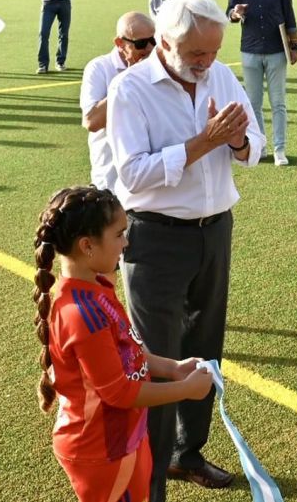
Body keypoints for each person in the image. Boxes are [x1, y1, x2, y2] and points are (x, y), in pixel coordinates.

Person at [107, 0, 265, 501]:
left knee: (205, 350)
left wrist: (237, 142)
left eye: (214, 51)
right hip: (154, 237)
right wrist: (204, 142)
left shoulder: (220, 76)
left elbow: (254, 146)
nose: (207, 62)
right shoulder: (130, 88)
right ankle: (150, 484)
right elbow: (132, 174)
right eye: (197, 53)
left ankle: (187, 452)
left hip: (215, 230)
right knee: (156, 361)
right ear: (165, 42)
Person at [32, 186, 215, 502]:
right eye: (119, 235)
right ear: (87, 245)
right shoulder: (81, 314)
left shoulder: (98, 287)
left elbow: (130, 351)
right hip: (100, 450)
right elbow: (119, 393)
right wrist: (185, 390)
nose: (126, 243)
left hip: (124, 436)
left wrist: (173, 368)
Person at [228, 0, 297, 166]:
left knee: (278, 103)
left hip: (276, 50)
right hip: (250, 51)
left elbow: (289, 16)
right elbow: (229, 14)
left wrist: (294, 46)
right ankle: (260, 147)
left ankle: (280, 149)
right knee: (254, 103)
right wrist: (235, 13)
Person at [81, 12, 156, 191]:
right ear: (120, 43)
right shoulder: (100, 68)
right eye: (141, 43)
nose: (149, 48)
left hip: (149, 180)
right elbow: (92, 122)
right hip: (111, 181)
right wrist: (130, 78)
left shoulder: (156, 67)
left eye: (154, 40)